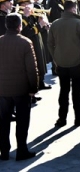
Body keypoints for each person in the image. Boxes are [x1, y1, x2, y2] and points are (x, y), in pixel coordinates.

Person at [0, 13, 38, 161]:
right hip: (21, 89)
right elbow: (31, 69)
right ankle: (21, 150)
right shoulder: (25, 42)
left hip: (2, 89)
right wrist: (33, 89)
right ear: (19, 26)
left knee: (3, 120)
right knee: (22, 121)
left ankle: (4, 150)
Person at [48, 0, 80, 127]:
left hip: (61, 63)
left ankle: (62, 118)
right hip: (77, 63)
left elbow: (50, 43)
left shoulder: (55, 24)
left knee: (63, 91)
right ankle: (79, 117)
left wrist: (56, 57)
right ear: (73, 9)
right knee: (77, 92)